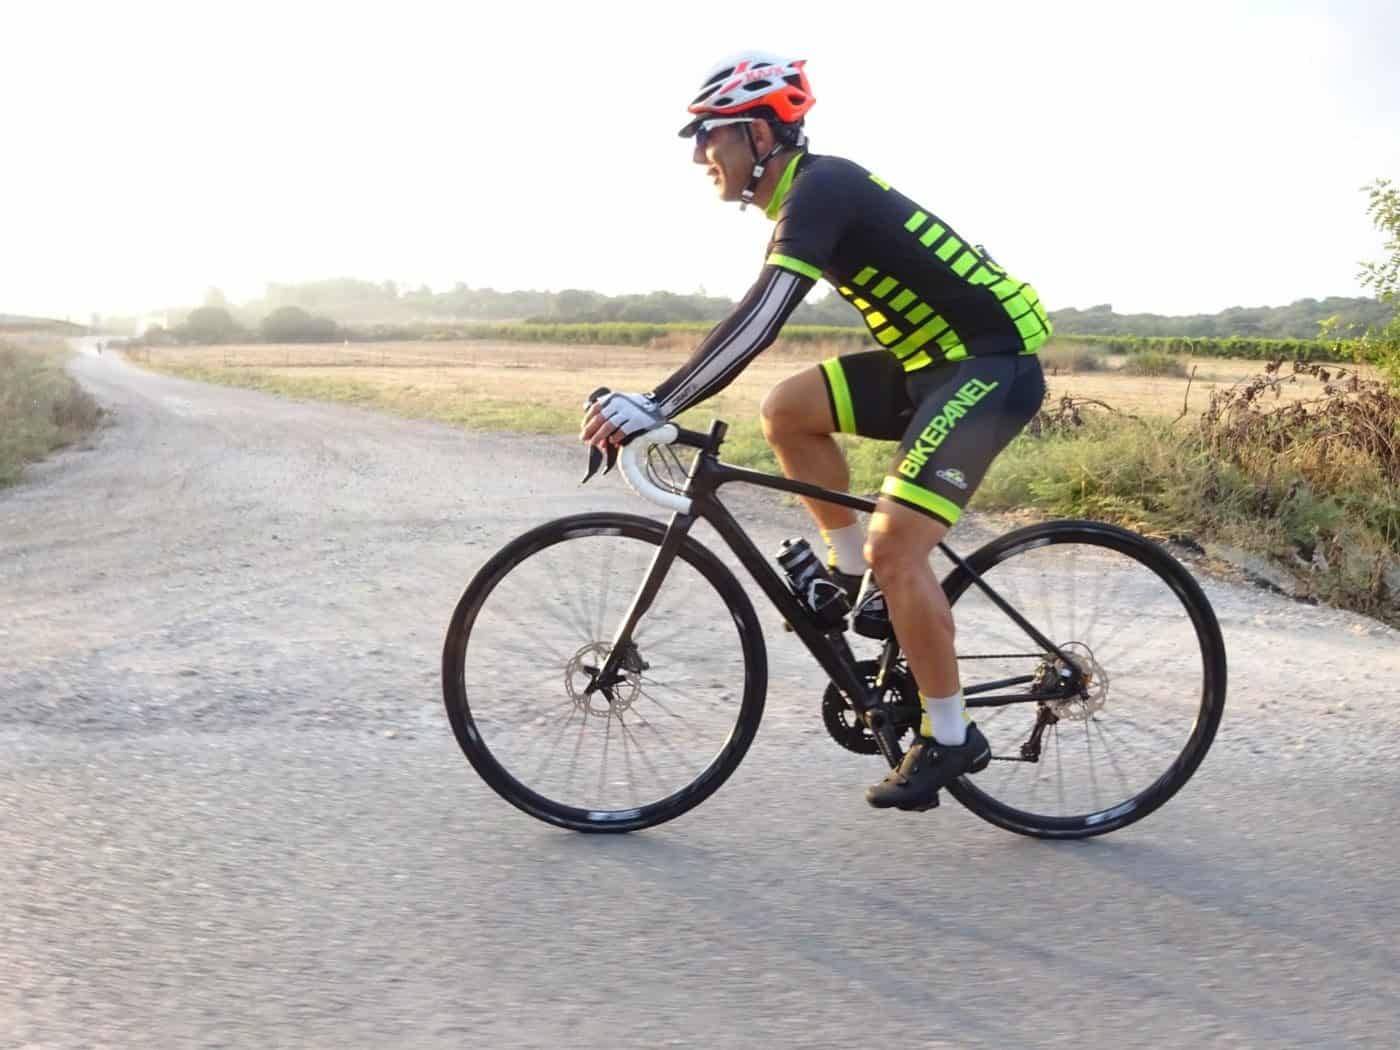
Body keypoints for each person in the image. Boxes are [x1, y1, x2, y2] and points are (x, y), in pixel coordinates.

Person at [580, 52, 1050, 812]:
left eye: (711, 135)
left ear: (761, 135)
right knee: (787, 410)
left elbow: (763, 315)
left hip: (988, 366)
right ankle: (852, 577)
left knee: (899, 549)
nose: (700, 155)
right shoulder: (807, 195)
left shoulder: (822, 188)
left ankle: (951, 734)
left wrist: (662, 402)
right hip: (929, 364)